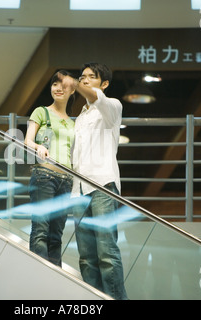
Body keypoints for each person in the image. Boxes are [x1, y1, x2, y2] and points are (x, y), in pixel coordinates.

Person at [59, 62, 128, 299]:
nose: (85, 80)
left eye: (91, 77)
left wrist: (76, 84)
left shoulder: (111, 106)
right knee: (87, 257)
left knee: (107, 253)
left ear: (104, 83)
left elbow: (96, 98)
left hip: (103, 187)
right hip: (78, 190)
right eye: (82, 76)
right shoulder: (80, 117)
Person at [24, 70, 76, 267]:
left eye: (64, 85)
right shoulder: (41, 112)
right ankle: (38, 280)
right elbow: (28, 141)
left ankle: (55, 284)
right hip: (44, 176)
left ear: (72, 91)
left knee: (56, 236)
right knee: (40, 230)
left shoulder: (73, 123)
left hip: (67, 180)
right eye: (55, 84)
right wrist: (39, 147)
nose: (58, 88)